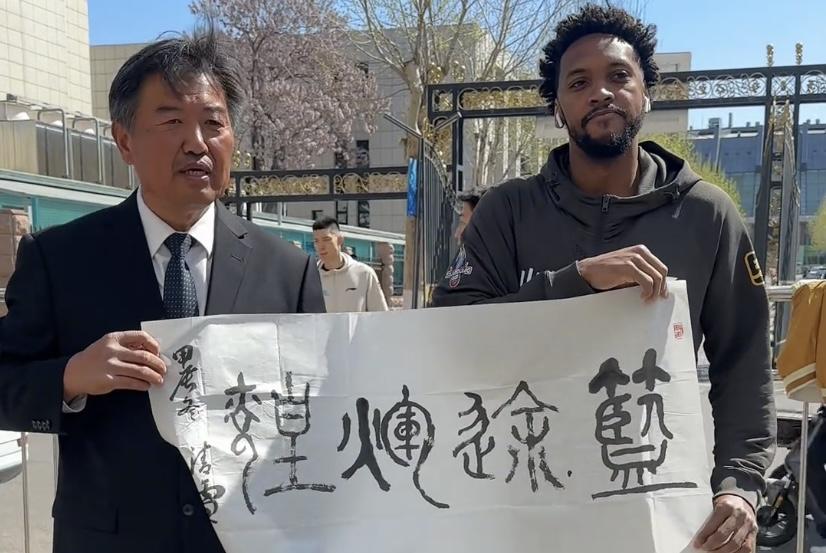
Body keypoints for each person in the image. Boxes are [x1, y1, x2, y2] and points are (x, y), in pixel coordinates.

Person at [431, 6, 775, 553]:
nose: (601, 93)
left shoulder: (707, 214)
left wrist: (740, 485)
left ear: (646, 93)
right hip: (520, 494)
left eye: (619, 75)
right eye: (579, 82)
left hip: (651, 497)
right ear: (556, 107)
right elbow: (450, 333)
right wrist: (574, 283)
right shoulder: (508, 210)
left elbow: (744, 361)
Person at [0, 29, 324, 553]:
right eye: (172, 121)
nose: (197, 142)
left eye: (214, 123)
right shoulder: (59, 258)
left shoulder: (289, 271)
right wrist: (70, 376)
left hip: (250, 539)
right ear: (125, 141)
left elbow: (323, 405)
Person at [313, 216, 388, 312]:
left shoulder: (364, 273)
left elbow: (380, 314)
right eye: (316, 241)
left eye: (326, 239)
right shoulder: (311, 276)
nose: (321, 246)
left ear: (340, 240)